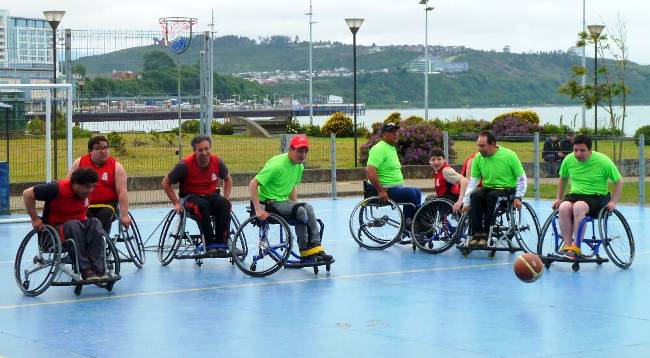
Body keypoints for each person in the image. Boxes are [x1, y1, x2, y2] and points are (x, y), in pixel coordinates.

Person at [249, 135, 333, 262]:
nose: (303, 155)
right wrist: (258, 209)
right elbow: (253, 184)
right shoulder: (277, 165)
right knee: (300, 211)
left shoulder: (299, 166)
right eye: (300, 151)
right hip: (267, 203)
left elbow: (292, 186)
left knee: (306, 209)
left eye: (305, 151)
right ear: (290, 149)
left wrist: (295, 205)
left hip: (282, 201)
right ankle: (305, 252)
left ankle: (316, 249)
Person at [23, 168, 106, 281]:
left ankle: (98, 269)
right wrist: (35, 218)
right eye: (87, 187)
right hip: (54, 233)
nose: (90, 190)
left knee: (95, 222)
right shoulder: (56, 188)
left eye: (93, 186)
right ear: (75, 184)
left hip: (78, 230)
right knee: (73, 225)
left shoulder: (88, 192)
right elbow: (27, 194)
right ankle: (86, 270)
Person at [552, 134, 623, 256]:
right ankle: (567, 245)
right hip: (575, 195)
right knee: (563, 207)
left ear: (590, 150)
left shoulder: (603, 161)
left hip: (597, 196)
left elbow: (619, 181)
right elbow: (563, 179)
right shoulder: (568, 160)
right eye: (575, 150)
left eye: (582, 150)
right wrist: (559, 198)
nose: (578, 154)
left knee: (578, 206)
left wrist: (613, 202)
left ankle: (576, 247)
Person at [162, 135, 233, 254]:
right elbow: (165, 183)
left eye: (206, 149)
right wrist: (176, 203)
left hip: (211, 195)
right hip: (190, 196)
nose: (204, 152)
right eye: (200, 150)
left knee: (224, 204)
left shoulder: (217, 161)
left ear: (210, 148)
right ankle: (209, 243)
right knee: (202, 205)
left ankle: (221, 242)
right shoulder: (184, 165)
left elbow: (228, 179)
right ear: (194, 150)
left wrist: (226, 197)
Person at [462, 130, 527, 247]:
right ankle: (476, 234)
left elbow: (521, 178)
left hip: (507, 189)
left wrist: (519, 196)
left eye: (482, 146)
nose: (479, 149)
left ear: (492, 144)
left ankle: (486, 234)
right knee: (475, 196)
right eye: (478, 145)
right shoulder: (478, 158)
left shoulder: (509, 155)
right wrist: (466, 202)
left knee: (493, 197)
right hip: (488, 188)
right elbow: (473, 182)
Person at [67, 135, 130, 234]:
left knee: (104, 214)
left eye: (105, 148)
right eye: (98, 148)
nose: (103, 151)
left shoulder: (116, 167)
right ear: (90, 151)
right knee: (82, 217)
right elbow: (68, 185)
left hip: (107, 204)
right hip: (84, 203)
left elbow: (122, 191)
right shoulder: (79, 163)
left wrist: (125, 215)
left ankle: (102, 240)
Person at [365, 123, 422, 224]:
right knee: (412, 193)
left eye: (396, 132)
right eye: (392, 132)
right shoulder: (379, 149)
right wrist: (381, 191)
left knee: (417, 191)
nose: (395, 134)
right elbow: (370, 171)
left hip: (395, 188)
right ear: (384, 135)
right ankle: (410, 224)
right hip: (386, 190)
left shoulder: (391, 148)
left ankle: (414, 223)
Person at [428, 148, 468, 213]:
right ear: (429, 161)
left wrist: (460, 201)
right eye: (433, 159)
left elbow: (464, 181)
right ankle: (445, 222)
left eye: (439, 159)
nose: (436, 162)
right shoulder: (438, 171)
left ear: (444, 160)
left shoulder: (446, 171)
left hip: (451, 199)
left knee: (428, 204)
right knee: (429, 198)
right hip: (445, 199)